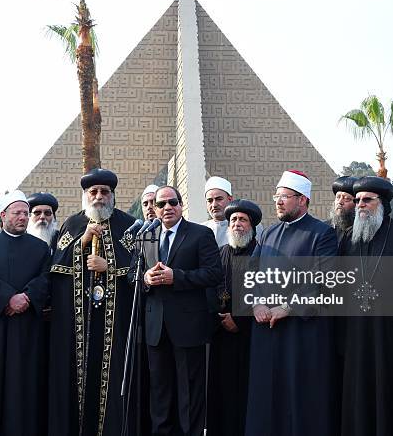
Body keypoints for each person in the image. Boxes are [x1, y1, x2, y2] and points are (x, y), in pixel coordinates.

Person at [245, 169, 338, 436]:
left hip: (302, 332)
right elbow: (250, 274)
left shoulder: (322, 234)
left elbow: (325, 279)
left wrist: (287, 308)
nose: (278, 201)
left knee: (300, 398)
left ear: (302, 200)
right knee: (266, 398)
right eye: (277, 196)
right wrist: (257, 305)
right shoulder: (266, 235)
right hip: (266, 330)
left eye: (284, 196)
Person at [48, 168, 139, 436]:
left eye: (104, 192)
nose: (99, 197)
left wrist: (108, 266)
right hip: (79, 326)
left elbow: (139, 269)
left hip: (116, 322)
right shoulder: (73, 224)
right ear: (86, 195)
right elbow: (56, 267)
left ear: (112, 195)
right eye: (94, 192)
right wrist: (83, 243)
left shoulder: (128, 226)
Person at [338, 176, 393, 436]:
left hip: (391, 332)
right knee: (356, 390)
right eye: (358, 200)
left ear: (382, 203)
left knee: (390, 388)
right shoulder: (349, 238)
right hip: (354, 333)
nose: (360, 205)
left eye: (367, 200)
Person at [141, 185, 223, 436]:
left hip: (188, 326)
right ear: (154, 208)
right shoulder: (147, 235)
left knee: (190, 392)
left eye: (172, 202)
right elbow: (134, 274)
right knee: (160, 391)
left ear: (181, 204)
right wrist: (146, 278)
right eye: (161, 204)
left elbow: (214, 273)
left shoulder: (200, 234)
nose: (167, 208)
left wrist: (177, 277)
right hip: (156, 327)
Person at [0, 191, 50, 436]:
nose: (23, 218)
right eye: (17, 213)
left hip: (26, 327)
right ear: (3, 215)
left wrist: (25, 298)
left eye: (26, 213)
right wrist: (8, 298)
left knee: (22, 383)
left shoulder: (40, 247)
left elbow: (46, 278)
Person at [206, 199, 261, 436]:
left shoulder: (261, 254)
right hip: (220, 336)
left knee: (246, 394)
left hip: (250, 337)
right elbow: (208, 288)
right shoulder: (218, 254)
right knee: (221, 393)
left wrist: (238, 320)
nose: (237, 224)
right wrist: (219, 317)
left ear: (252, 226)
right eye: (233, 220)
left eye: (242, 220)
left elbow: (264, 292)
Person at [202, 176, 262, 247]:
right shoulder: (201, 229)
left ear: (230, 199)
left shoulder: (252, 226)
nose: (214, 205)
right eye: (210, 201)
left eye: (219, 199)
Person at [327, 175, 357, 248]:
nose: (340, 202)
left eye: (346, 198)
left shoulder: (363, 230)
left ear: (357, 203)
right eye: (338, 197)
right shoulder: (324, 228)